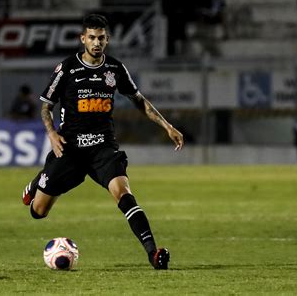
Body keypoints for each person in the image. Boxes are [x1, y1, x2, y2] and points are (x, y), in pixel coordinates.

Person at [21, 14, 184, 270]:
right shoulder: (67, 68)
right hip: (70, 148)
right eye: (92, 38)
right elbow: (46, 107)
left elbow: (139, 100)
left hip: (103, 147)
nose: (97, 43)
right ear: (83, 38)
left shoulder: (115, 69)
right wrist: (52, 134)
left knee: (124, 194)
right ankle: (38, 181)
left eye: (101, 38)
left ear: (107, 39)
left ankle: (153, 253)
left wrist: (167, 126)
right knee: (37, 211)